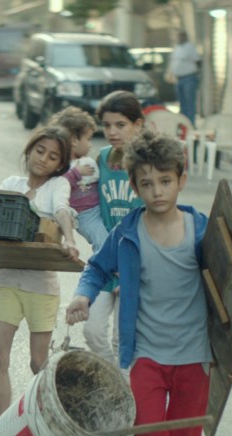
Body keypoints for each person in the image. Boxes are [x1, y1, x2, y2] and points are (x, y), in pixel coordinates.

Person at [66, 130, 232, 436]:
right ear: (134, 186)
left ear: (181, 180)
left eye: (165, 181)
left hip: (195, 356)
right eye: (146, 183)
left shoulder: (202, 230)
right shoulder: (128, 231)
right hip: (146, 353)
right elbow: (97, 268)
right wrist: (83, 296)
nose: (157, 191)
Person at [0, 127, 80, 436]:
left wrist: (70, 239)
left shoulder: (57, 187)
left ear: (60, 165)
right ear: (29, 150)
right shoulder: (11, 184)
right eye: (40, 150)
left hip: (41, 288)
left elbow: (61, 211)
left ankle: (54, 429)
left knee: (38, 363)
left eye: (53, 156)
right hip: (7, 283)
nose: (44, 159)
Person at [84, 90, 146, 366]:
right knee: (92, 331)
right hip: (106, 259)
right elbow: (89, 206)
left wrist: (133, 266)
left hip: (135, 264)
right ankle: (114, 380)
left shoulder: (146, 164)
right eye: (107, 125)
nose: (112, 132)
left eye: (120, 125)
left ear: (138, 124)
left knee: (123, 339)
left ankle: (123, 386)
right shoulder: (103, 158)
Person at [49, 107, 107, 253]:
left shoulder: (84, 161)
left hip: (100, 209)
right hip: (85, 215)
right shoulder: (62, 166)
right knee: (102, 241)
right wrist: (76, 173)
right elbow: (58, 185)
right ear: (74, 141)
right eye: (88, 139)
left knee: (110, 239)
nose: (90, 144)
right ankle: (100, 265)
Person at [170, 31, 202, 127]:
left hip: (189, 78)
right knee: (182, 103)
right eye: (178, 36)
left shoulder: (190, 47)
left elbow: (197, 61)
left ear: (185, 37)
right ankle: (184, 124)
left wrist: (198, 74)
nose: (179, 38)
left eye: (181, 36)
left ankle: (191, 124)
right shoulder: (177, 48)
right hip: (179, 79)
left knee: (189, 103)